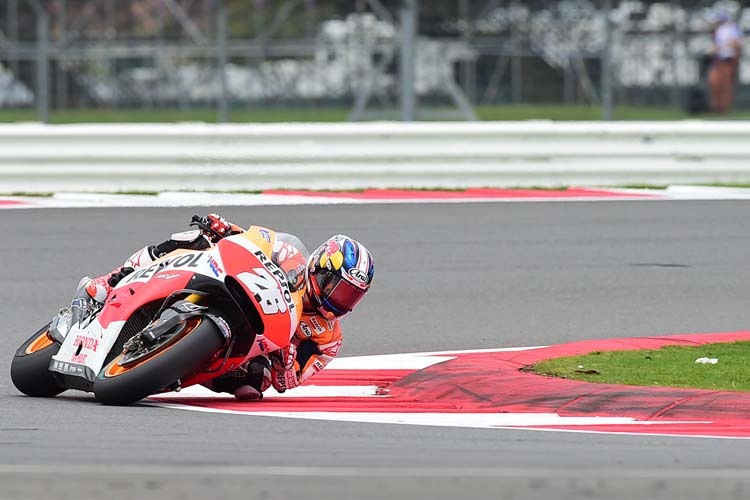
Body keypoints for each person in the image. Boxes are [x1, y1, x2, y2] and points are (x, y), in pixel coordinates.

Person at [72, 214, 375, 401]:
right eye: (338, 287)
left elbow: (289, 382)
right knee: (195, 239)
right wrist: (224, 227)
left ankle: (172, 366)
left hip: (251, 350)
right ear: (319, 267)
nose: (340, 299)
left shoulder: (329, 338)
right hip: (239, 290)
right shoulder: (291, 255)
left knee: (255, 385)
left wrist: (286, 358)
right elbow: (253, 242)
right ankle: (111, 280)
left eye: (351, 296)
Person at [707, 10, 743, 114]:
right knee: (714, 83)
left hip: (727, 60)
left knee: (725, 85)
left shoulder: (731, 29)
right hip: (717, 60)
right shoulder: (718, 30)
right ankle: (716, 107)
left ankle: (723, 108)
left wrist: (723, 48)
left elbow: (736, 44)